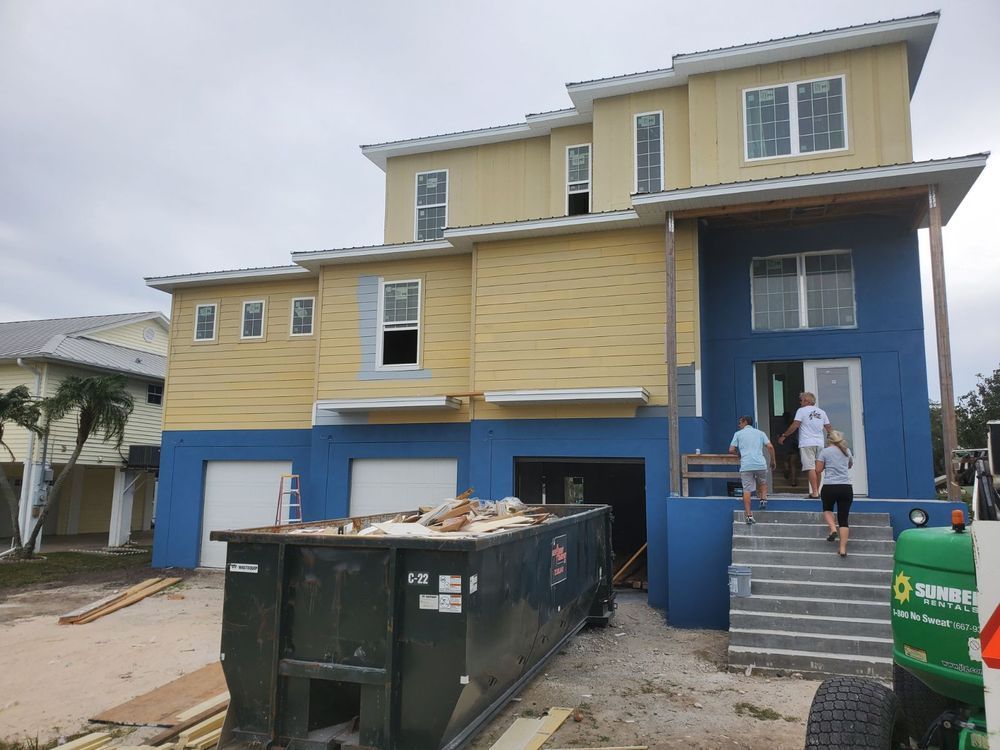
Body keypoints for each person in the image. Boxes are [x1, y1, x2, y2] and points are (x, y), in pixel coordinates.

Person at [778, 392, 832, 499]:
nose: (800, 402)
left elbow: (795, 425)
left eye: (801, 400)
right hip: (819, 443)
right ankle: (817, 491)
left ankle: (815, 492)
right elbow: (829, 427)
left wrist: (784, 435)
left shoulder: (801, 411)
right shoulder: (822, 412)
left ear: (807, 401)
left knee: (810, 467)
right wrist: (831, 440)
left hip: (807, 443)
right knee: (818, 468)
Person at [729, 415, 776, 525]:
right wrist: (773, 460)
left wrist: (739, 453)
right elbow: (770, 447)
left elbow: (731, 449)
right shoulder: (760, 433)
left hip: (746, 465)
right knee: (763, 483)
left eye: (740, 422)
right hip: (760, 464)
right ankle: (763, 499)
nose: (739, 424)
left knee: (747, 490)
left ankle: (749, 515)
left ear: (745, 422)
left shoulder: (738, 434)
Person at [816, 430, 854, 557]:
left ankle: (832, 529)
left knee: (827, 509)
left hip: (830, 486)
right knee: (844, 519)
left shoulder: (825, 451)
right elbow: (849, 466)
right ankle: (842, 548)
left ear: (829, 440)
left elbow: (818, 470)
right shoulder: (846, 451)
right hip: (846, 487)